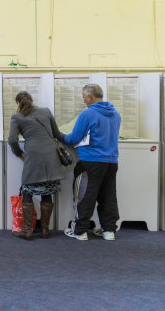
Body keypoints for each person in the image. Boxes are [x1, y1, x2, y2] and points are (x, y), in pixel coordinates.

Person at [61, 84, 121, 241]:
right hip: (111, 162)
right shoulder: (115, 114)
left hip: (89, 162)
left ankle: (80, 232)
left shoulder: (87, 114)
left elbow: (73, 139)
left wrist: (60, 135)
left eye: (83, 97)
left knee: (84, 196)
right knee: (108, 196)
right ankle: (109, 231)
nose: (83, 100)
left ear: (89, 97)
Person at [8, 91, 64, 240]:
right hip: (51, 155)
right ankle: (45, 230)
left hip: (33, 155)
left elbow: (12, 140)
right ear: (32, 100)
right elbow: (57, 134)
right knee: (47, 190)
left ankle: (28, 231)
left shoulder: (17, 117)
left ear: (18, 103)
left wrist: (19, 154)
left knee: (27, 190)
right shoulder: (45, 111)